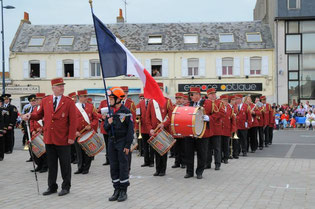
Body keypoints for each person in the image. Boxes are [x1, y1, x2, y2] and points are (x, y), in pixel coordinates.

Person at [22, 78, 77, 196]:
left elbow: (73, 121)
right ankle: (52, 186)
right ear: (53, 88)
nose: (62, 87)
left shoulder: (68, 101)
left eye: (63, 85)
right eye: (59, 86)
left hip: (63, 138)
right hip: (49, 137)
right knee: (52, 164)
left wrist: (71, 137)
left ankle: (66, 186)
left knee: (65, 165)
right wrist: (30, 115)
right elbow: (39, 114)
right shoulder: (46, 100)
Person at [104, 87, 134, 202]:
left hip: (122, 143)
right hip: (112, 142)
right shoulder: (110, 112)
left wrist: (127, 145)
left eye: (112, 98)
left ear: (118, 99)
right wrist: (108, 123)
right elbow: (106, 129)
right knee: (114, 166)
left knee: (123, 167)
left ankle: (123, 191)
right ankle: (116, 189)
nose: (110, 100)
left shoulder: (126, 112)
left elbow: (130, 130)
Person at [146, 82, 173, 177]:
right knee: (156, 151)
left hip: (164, 130)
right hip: (155, 131)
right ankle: (157, 169)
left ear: (162, 91)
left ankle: (163, 170)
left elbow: (171, 116)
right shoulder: (151, 102)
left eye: (160, 90)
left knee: (163, 151)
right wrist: (150, 129)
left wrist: (164, 124)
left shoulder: (168, 101)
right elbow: (147, 118)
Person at [184, 87, 209, 179]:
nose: (190, 96)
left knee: (201, 153)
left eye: (192, 94)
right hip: (189, 132)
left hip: (202, 132)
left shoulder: (207, 103)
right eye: (190, 95)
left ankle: (199, 172)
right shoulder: (188, 104)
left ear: (198, 95)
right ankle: (189, 172)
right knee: (188, 153)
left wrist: (209, 118)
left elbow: (218, 114)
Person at [74, 90, 98, 175]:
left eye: (86, 96)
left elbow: (96, 118)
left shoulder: (91, 106)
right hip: (78, 133)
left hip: (88, 132)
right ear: (79, 97)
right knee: (79, 151)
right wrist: (75, 131)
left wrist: (91, 125)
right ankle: (80, 167)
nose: (86, 98)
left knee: (88, 151)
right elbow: (70, 121)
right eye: (84, 96)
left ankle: (86, 168)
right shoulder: (74, 107)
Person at [205, 88, 225, 170]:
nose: (213, 95)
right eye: (211, 94)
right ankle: (208, 163)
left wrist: (210, 118)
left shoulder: (219, 103)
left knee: (217, 147)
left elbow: (222, 113)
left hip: (216, 128)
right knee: (208, 147)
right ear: (208, 95)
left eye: (214, 93)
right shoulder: (205, 103)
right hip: (208, 128)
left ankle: (217, 163)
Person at [29, 93, 48, 173]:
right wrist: (32, 130)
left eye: (38, 99)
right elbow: (32, 121)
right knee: (36, 150)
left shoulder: (47, 109)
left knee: (44, 151)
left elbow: (49, 121)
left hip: (43, 133)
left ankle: (45, 166)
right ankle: (39, 165)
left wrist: (43, 129)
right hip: (35, 133)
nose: (36, 101)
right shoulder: (35, 109)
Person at [137, 94, 154, 167]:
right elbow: (138, 114)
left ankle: (152, 162)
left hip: (151, 128)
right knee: (145, 146)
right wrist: (138, 119)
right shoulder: (140, 103)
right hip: (143, 127)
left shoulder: (153, 102)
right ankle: (146, 161)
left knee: (152, 146)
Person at [171, 93, 186, 169]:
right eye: (177, 98)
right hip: (175, 129)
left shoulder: (186, 107)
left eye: (180, 98)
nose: (178, 100)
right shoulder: (173, 107)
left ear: (183, 99)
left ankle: (183, 162)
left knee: (184, 147)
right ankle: (177, 162)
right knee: (176, 148)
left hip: (183, 129)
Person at [220, 95, 235, 164]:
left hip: (227, 129)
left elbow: (233, 120)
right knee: (219, 145)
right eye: (224, 100)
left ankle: (226, 158)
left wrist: (233, 128)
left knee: (226, 145)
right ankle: (220, 158)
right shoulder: (218, 107)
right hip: (219, 130)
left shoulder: (229, 108)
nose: (225, 101)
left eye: (226, 100)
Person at [98, 97, 110, 166]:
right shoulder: (103, 102)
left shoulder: (114, 101)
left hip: (112, 126)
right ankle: (108, 159)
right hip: (105, 126)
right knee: (107, 144)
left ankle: (113, 159)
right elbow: (98, 113)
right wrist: (101, 116)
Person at [68, 92, 78, 164]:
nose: (74, 99)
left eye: (75, 97)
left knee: (75, 146)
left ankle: (76, 158)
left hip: (76, 128)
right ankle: (71, 158)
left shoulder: (77, 106)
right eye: (73, 97)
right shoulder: (69, 105)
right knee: (70, 146)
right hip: (69, 128)